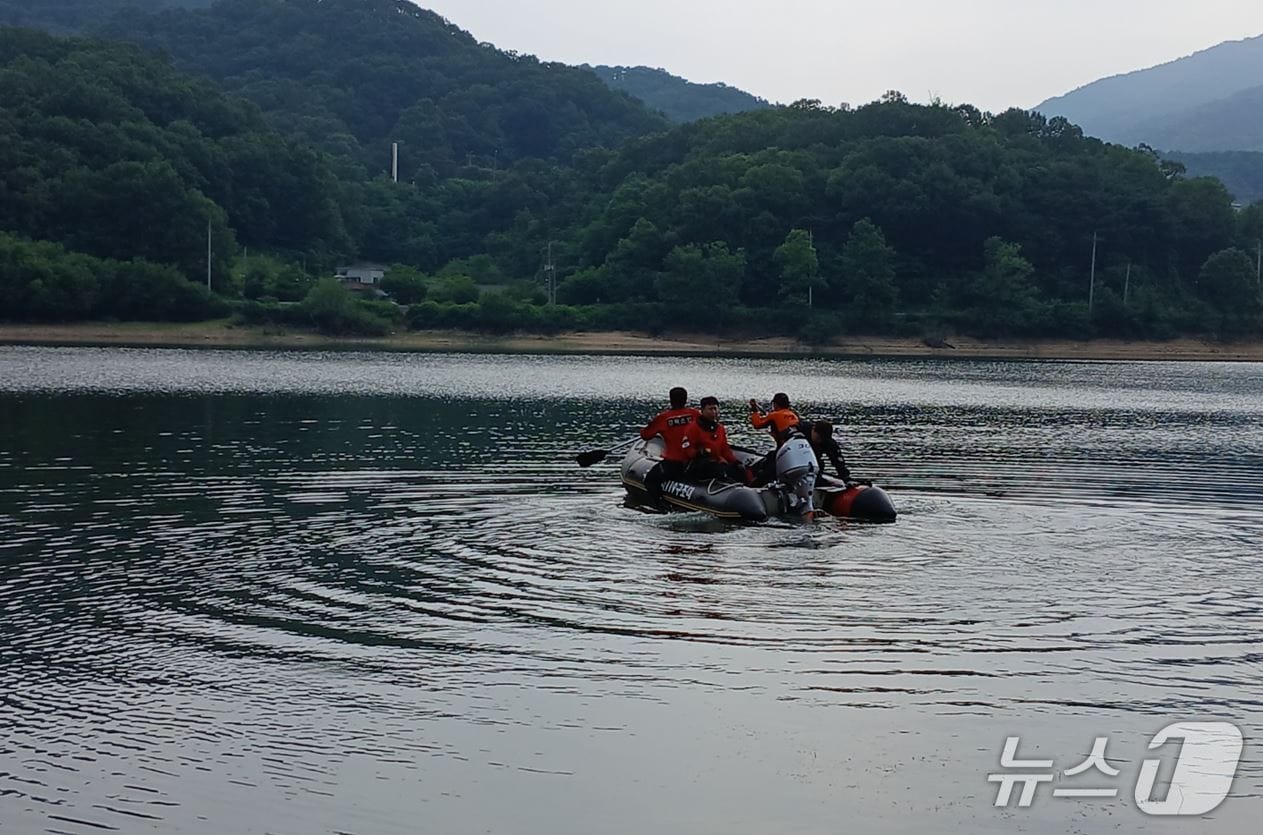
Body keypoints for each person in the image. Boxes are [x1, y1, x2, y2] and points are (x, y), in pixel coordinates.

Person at [640, 386, 701, 503]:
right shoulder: (695, 414)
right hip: (694, 460)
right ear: (686, 399)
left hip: (674, 463)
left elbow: (645, 435)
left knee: (650, 480)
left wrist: (650, 424)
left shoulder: (663, 417)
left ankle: (660, 506)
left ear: (670, 400)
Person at [684, 397, 748, 483]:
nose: (713, 412)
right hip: (701, 464)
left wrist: (736, 462)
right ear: (702, 410)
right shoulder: (693, 428)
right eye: (710, 409)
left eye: (715, 409)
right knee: (717, 469)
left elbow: (725, 450)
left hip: (718, 461)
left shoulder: (720, 428)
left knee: (740, 470)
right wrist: (700, 453)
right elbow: (688, 449)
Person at [748, 393, 802, 485]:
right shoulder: (794, 416)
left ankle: (757, 484)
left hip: (783, 450)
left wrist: (754, 411)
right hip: (796, 450)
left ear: (775, 404)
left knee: (765, 467)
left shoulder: (774, 415)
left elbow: (757, 424)